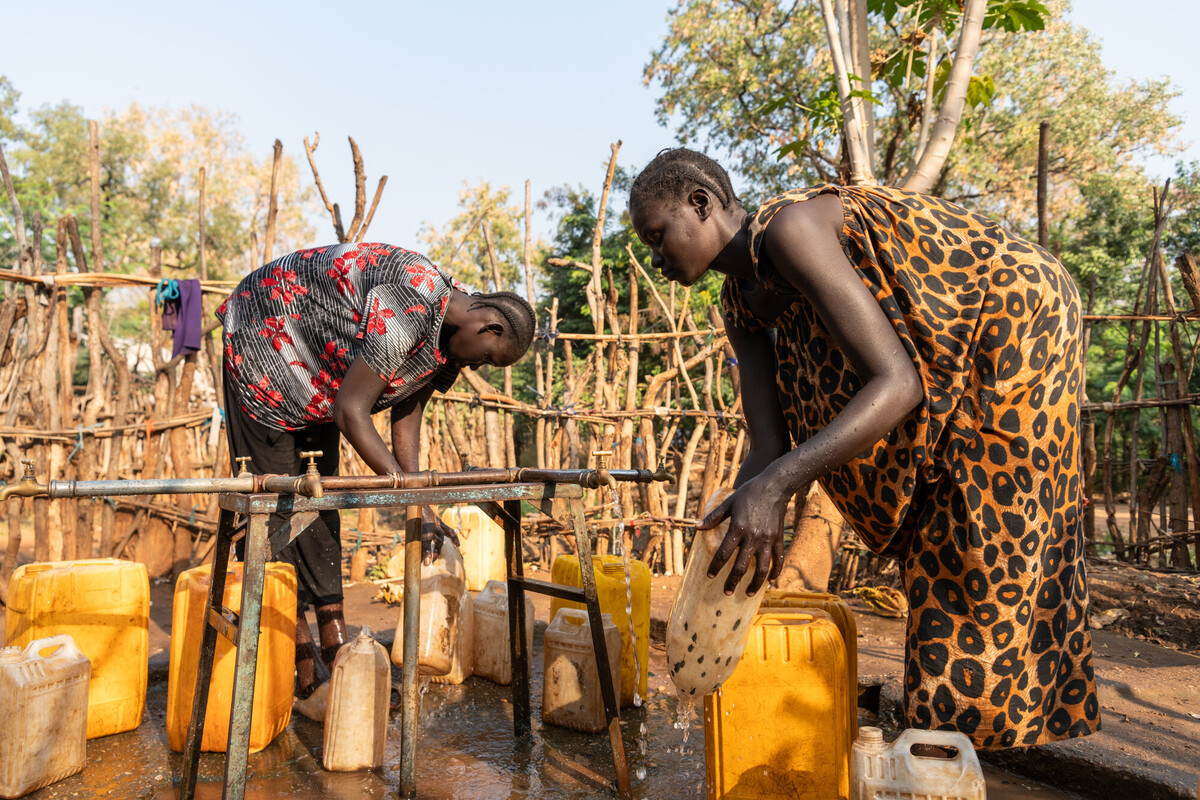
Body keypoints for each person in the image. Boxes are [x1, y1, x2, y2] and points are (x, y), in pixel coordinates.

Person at [629, 148, 1099, 749]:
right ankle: (947, 757)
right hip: (939, 362)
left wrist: (774, 488)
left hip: (1009, 315)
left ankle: (954, 751)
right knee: (941, 540)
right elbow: (770, 444)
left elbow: (897, 384)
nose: (655, 256)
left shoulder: (792, 230)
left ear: (700, 204)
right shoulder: (740, 304)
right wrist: (739, 512)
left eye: (657, 235)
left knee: (975, 534)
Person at [216, 241, 535, 718]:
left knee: (320, 505)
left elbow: (408, 407)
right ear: (488, 325)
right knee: (276, 510)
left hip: (319, 374)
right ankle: (305, 670)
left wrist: (418, 501)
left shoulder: (450, 332)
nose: (474, 368)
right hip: (267, 347)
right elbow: (352, 411)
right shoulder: (412, 302)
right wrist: (412, 499)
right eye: (487, 358)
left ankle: (337, 647)